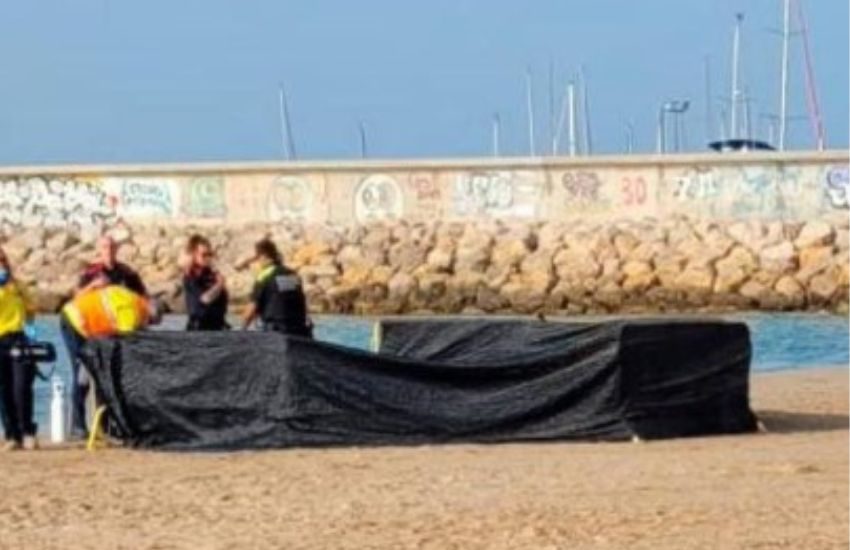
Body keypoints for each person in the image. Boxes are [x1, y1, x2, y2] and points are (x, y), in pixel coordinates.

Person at [65, 235, 147, 438]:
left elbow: (143, 297)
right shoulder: (91, 272)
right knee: (82, 373)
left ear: (117, 249)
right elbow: (75, 298)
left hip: (109, 330)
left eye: (111, 247)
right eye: (104, 247)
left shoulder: (126, 273)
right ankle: (77, 424)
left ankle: (108, 423)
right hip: (80, 326)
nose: (108, 251)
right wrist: (93, 287)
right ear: (98, 250)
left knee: (109, 375)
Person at [60, 285, 158, 438]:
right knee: (82, 375)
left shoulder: (133, 299)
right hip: (76, 323)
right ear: (149, 314)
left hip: (89, 325)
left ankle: (104, 425)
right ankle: (77, 426)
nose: (146, 326)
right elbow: (126, 342)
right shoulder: (131, 311)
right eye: (150, 323)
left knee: (101, 375)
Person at [0, 246, 38, 451]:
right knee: (3, 389)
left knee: (21, 387)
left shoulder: (17, 286)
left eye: (2, 259)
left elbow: (31, 309)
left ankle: (27, 432)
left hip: (18, 339)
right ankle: (11, 434)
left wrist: (31, 330)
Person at [241, 238, 312, 337]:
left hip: (276, 333)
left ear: (263, 256)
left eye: (257, 258)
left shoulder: (264, 275)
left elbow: (250, 311)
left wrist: (241, 330)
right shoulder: (293, 274)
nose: (257, 262)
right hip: (300, 332)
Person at [182, 234, 229, 331]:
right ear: (194, 255)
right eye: (204, 255)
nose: (207, 258)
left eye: (209, 254)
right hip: (199, 327)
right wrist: (219, 285)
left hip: (217, 325)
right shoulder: (191, 275)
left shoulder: (212, 274)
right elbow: (205, 299)